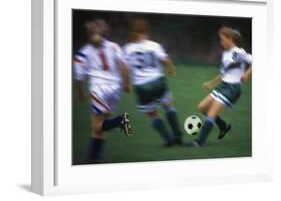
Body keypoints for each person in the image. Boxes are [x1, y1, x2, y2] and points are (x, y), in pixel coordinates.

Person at [74, 19, 132, 163]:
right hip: (115, 89)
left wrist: (80, 93)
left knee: (97, 127)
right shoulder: (114, 46)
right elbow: (124, 66)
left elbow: (79, 78)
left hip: (99, 89)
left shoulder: (83, 53)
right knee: (99, 129)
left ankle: (120, 121)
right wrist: (126, 84)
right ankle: (94, 159)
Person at [123, 19, 183, 147]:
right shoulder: (154, 45)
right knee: (168, 105)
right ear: (146, 32)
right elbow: (165, 60)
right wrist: (171, 68)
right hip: (157, 81)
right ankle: (177, 135)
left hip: (142, 86)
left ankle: (168, 139)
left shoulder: (128, 48)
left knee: (152, 114)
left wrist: (127, 84)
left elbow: (126, 69)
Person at [193, 26, 252, 147]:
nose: (221, 42)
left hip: (233, 88)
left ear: (230, 38)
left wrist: (246, 74)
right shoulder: (225, 54)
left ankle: (200, 141)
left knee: (211, 113)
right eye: (220, 40)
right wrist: (210, 83)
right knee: (202, 107)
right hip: (224, 86)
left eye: (222, 39)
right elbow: (223, 74)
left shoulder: (239, 52)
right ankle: (223, 126)